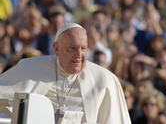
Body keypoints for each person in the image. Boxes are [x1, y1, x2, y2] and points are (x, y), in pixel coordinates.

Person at [0, 23, 131, 124]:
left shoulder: (104, 80)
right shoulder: (32, 68)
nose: (79, 55)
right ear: (57, 48)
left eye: (83, 48)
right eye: (72, 48)